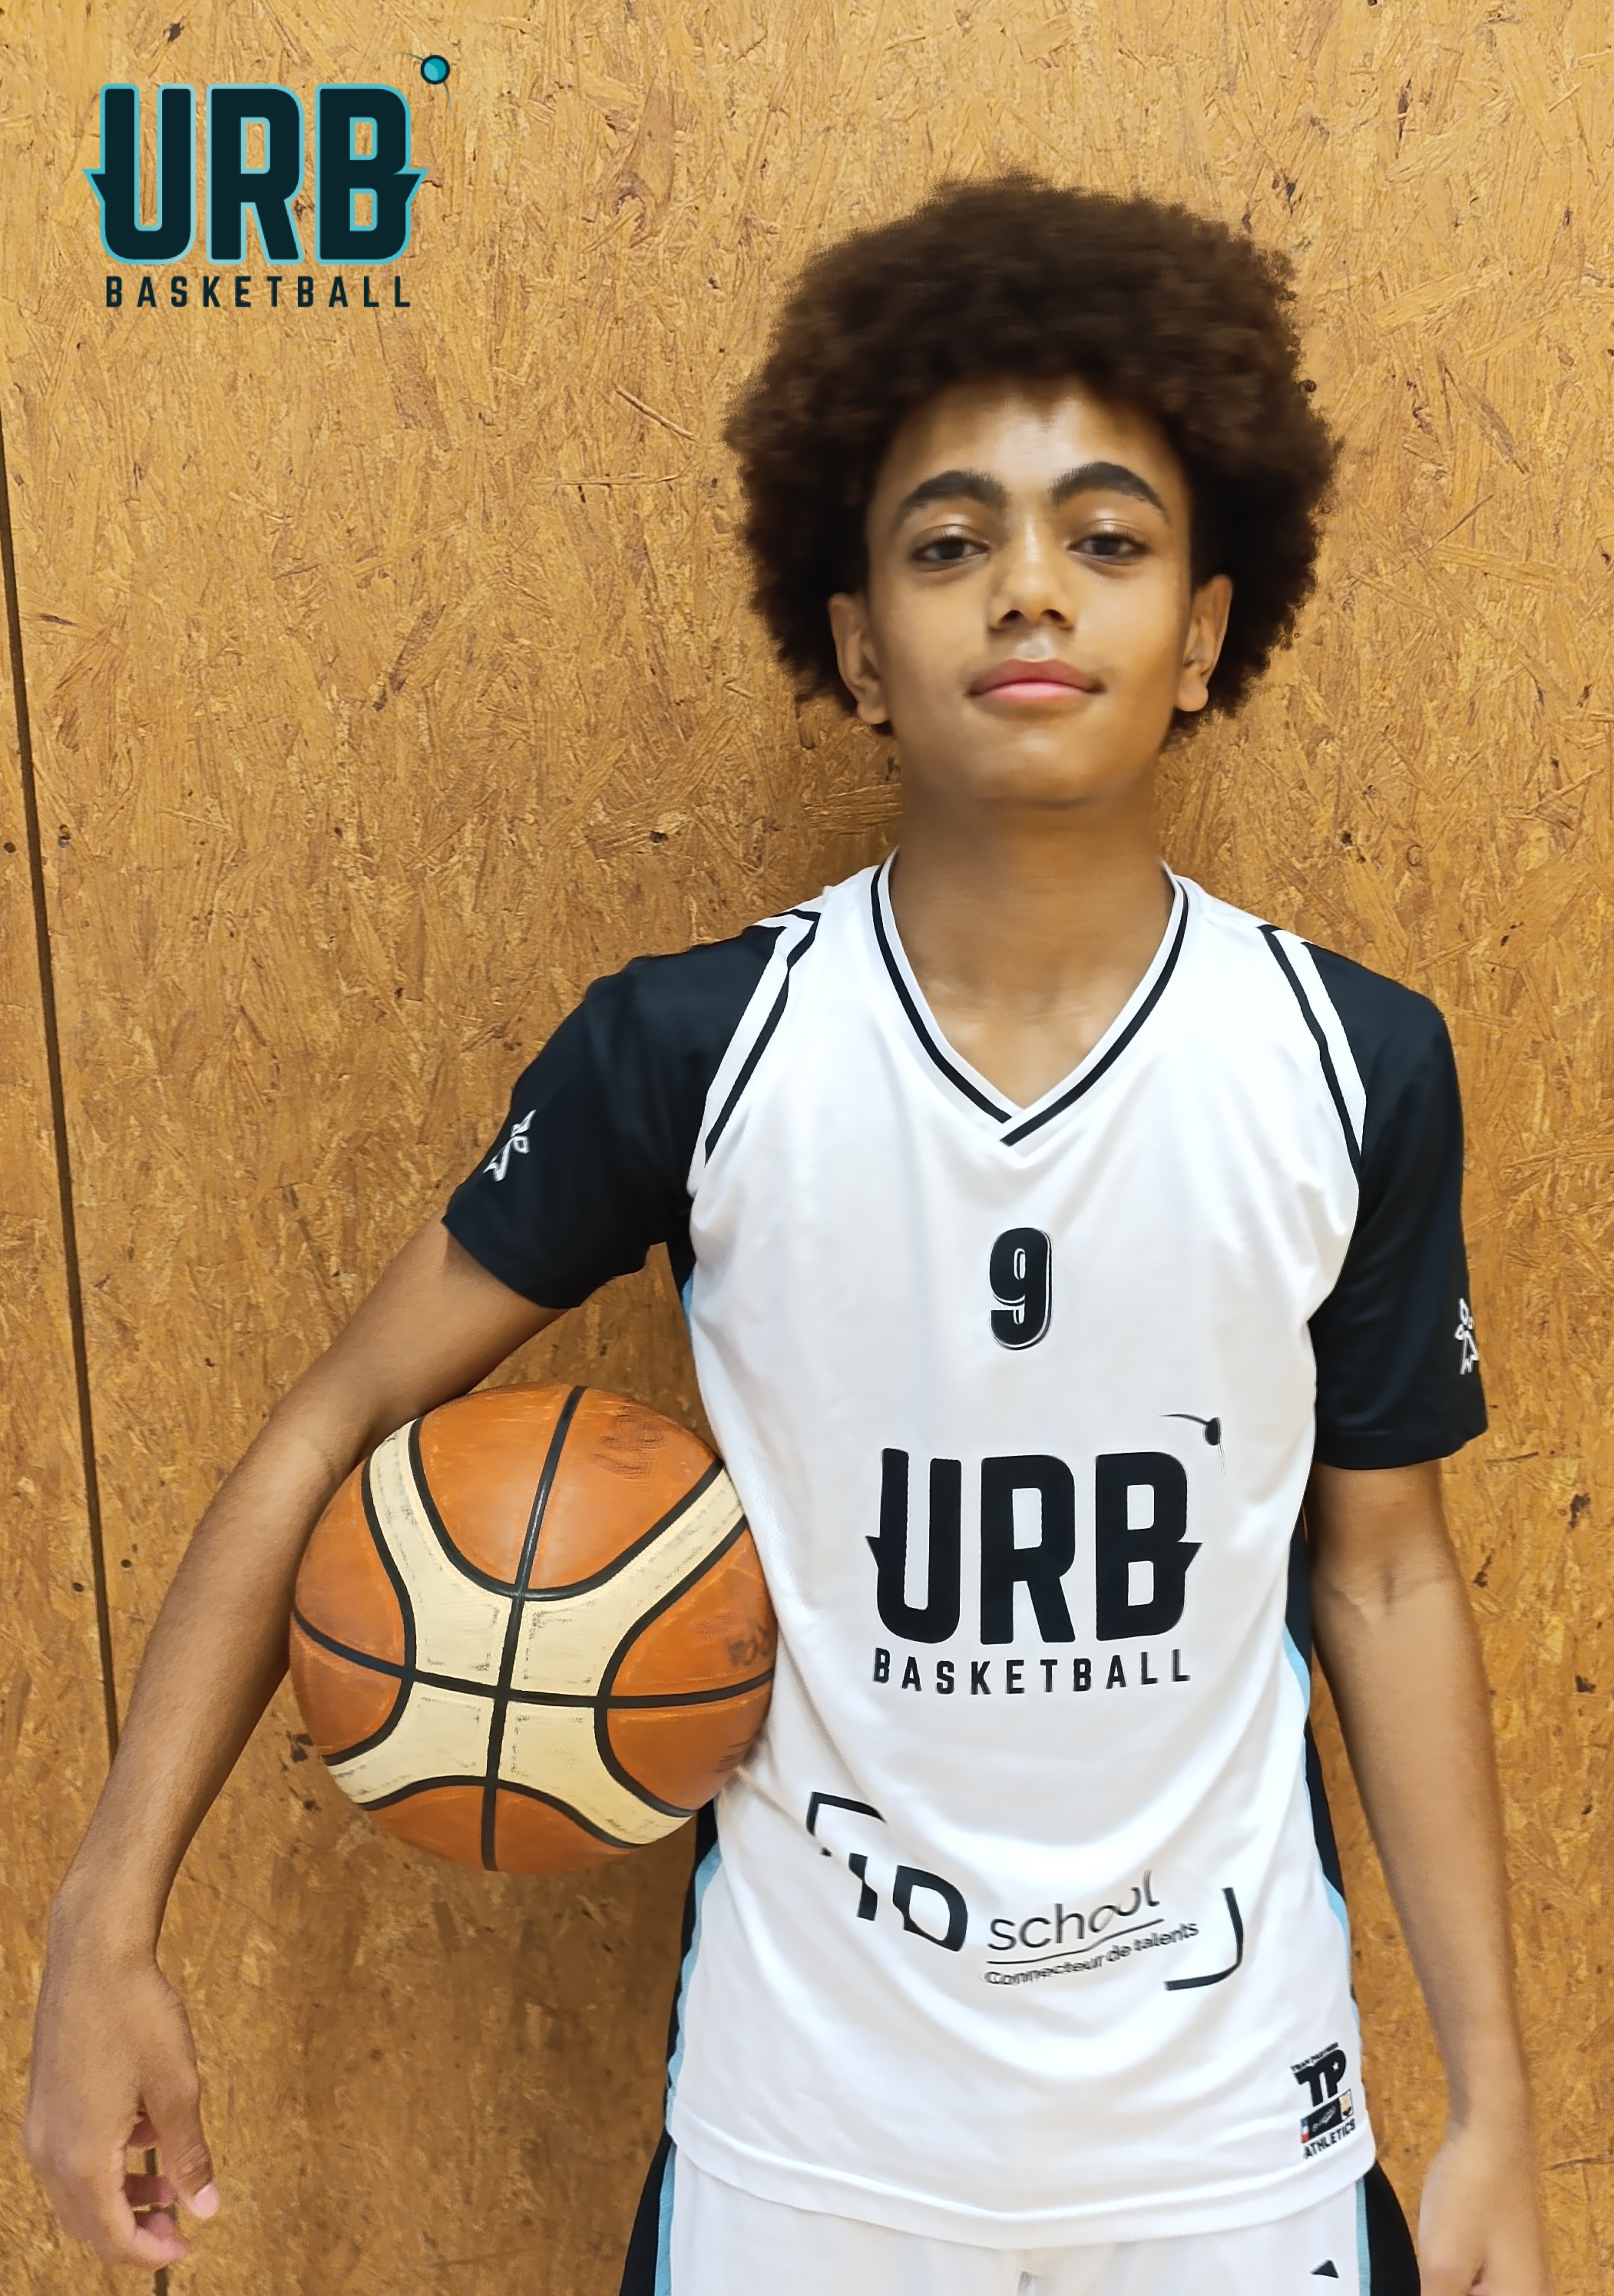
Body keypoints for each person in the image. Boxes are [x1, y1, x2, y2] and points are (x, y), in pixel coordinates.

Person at [28, 177, 1550, 2295]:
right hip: (806, 2156)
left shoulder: (1350, 1062)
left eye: (1109, 539)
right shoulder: (699, 1048)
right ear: (855, 647)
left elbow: (1382, 1572)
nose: (1032, 589)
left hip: (1234, 2152)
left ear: (1208, 631)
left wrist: (1492, 2108)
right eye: (950, 544)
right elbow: (328, 1432)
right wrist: (103, 1926)